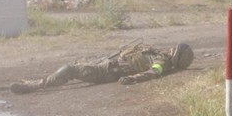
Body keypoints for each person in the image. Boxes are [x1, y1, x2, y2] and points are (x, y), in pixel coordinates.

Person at [10, 43, 194, 94]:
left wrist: (134, 78)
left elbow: (153, 73)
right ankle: (44, 81)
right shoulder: (158, 54)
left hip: (108, 71)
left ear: (176, 55)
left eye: (175, 49)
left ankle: (37, 85)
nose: (171, 48)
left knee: (69, 69)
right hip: (109, 64)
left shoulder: (162, 62)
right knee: (76, 64)